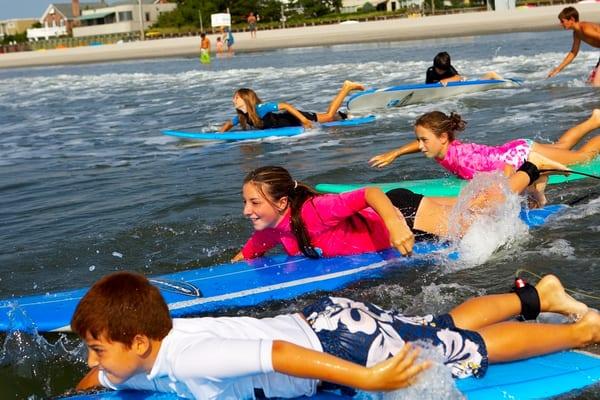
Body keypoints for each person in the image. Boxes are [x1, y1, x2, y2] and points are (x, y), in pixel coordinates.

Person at [72, 271, 599, 399]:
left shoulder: (189, 359)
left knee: (462, 352)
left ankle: (580, 332)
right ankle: (540, 296)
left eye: (98, 348)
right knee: (438, 327)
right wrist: (82, 384)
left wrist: (370, 377)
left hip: (338, 346)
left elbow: (276, 354)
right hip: (328, 320)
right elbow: (104, 375)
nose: (95, 359)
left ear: (139, 341)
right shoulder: (148, 347)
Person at [232, 160, 558, 262]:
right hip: (396, 215)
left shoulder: (317, 209)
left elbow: (369, 193)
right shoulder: (273, 227)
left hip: (403, 215)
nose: (247, 210)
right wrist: (241, 259)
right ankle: (530, 188)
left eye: (254, 202)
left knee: (478, 214)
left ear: (282, 203)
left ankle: (528, 172)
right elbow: (253, 250)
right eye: (246, 202)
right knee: (471, 206)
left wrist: (396, 225)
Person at [369, 110, 600, 205]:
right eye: (418, 140)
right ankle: (594, 120)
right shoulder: (441, 146)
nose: (420, 146)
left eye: (423, 141)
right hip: (515, 148)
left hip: (520, 155)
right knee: (561, 146)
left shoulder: (462, 159)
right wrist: (395, 153)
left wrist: (514, 194)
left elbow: (505, 168)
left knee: (583, 157)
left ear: (442, 137)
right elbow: (422, 140)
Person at [219, 81, 363, 132]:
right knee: (330, 117)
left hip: (295, 118)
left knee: (329, 116)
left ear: (246, 99)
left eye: (236, 98)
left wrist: (305, 121)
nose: (233, 100)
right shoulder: (243, 116)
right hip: (291, 121)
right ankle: (345, 115)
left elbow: (285, 105)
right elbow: (229, 124)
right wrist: (219, 134)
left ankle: (347, 88)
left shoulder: (260, 108)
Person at [547, 7, 600, 86]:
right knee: (590, 83)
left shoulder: (585, 29)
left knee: (596, 83)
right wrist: (558, 69)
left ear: (571, 19)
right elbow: (573, 53)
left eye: (562, 21)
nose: (560, 24)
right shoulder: (576, 33)